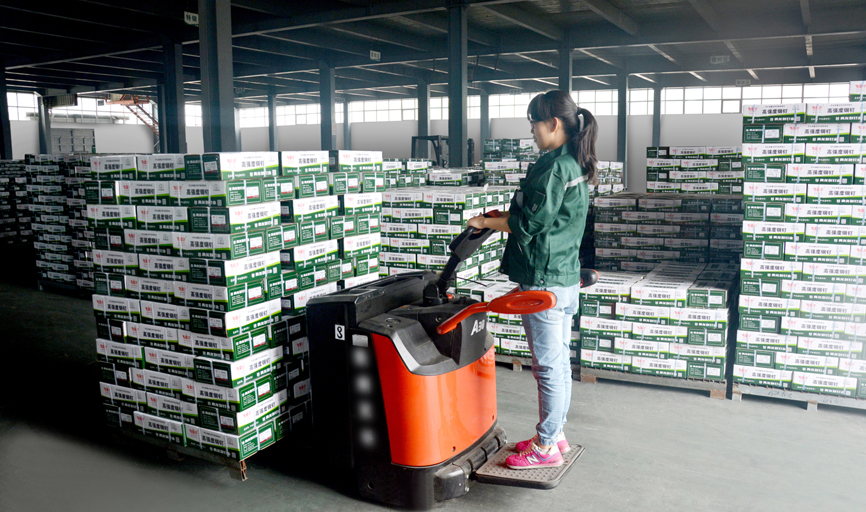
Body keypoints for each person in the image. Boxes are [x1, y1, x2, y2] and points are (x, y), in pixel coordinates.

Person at [467, 90, 596, 470]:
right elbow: (547, 216)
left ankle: (546, 447)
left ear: (553, 124)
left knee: (547, 366)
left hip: (544, 280)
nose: (532, 132)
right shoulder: (571, 162)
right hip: (563, 276)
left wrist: (485, 221)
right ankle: (555, 435)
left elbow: (531, 224)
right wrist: (501, 217)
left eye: (534, 124)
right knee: (558, 363)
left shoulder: (555, 168)